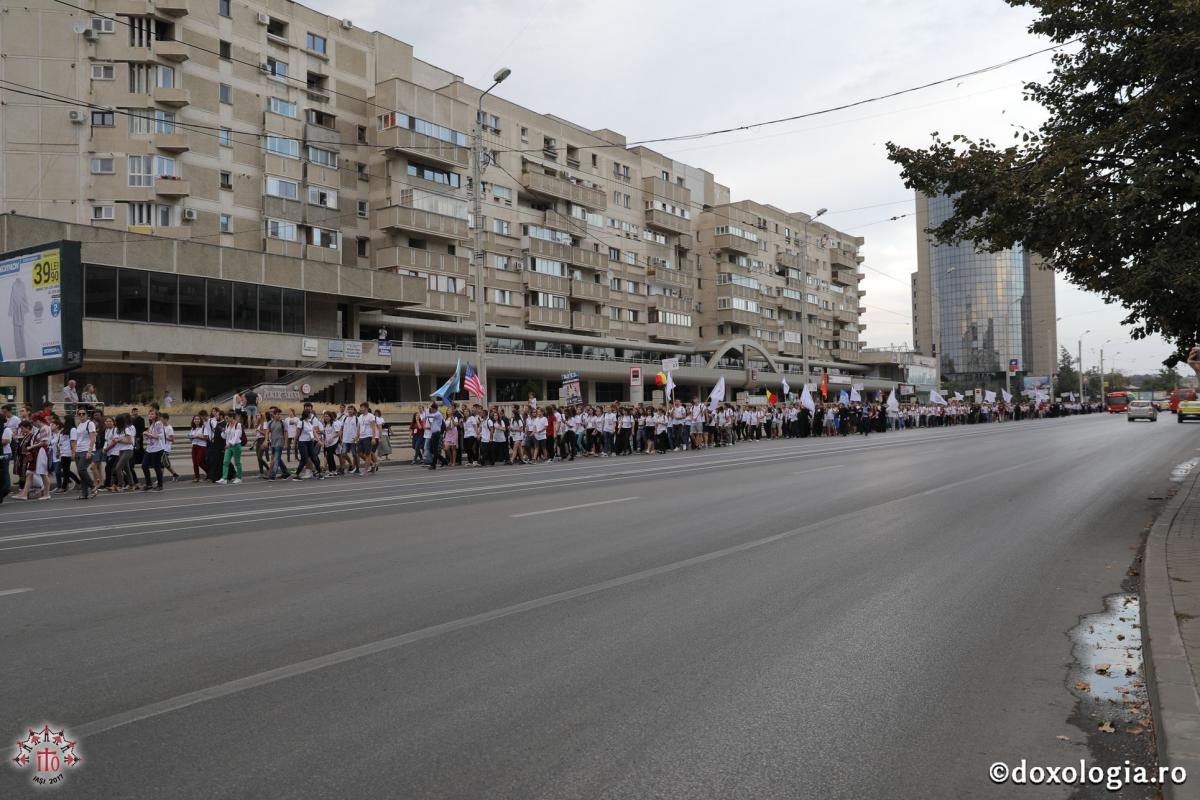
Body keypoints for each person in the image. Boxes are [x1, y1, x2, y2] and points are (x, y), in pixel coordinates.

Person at [141, 408, 167, 491]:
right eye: (149, 414)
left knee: (156, 467)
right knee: (144, 465)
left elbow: (158, 436)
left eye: (152, 414)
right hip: (150, 448)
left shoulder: (158, 423)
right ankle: (149, 484)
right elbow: (149, 436)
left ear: (156, 415)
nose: (150, 415)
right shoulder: (152, 424)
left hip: (157, 448)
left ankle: (160, 485)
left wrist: (148, 433)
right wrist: (145, 434)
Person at [74, 408, 97, 500]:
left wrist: (89, 451)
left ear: (87, 415)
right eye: (79, 414)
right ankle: (84, 494)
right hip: (79, 450)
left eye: (83, 413)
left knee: (81, 470)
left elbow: (93, 438)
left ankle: (93, 486)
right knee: (81, 473)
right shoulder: (79, 425)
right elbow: (78, 439)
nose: (81, 415)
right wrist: (75, 451)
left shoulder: (90, 423)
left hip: (86, 450)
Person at [216, 410, 244, 485]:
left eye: (227, 418)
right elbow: (225, 436)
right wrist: (223, 431)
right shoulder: (227, 425)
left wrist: (230, 443)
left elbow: (237, 436)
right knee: (225, 461)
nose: (226, 420)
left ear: (232, 417)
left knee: (237, 462)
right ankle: (224, 478)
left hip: (236, 446)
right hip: (228, 446)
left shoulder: (238, 424)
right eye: (226, 418)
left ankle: (239, 478)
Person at [188, 414, 207, 482]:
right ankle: (197, 477)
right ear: (193, 420)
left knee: (199, 462)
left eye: (198, 419)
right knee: (195, 462)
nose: (196, 420)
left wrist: (197, 437)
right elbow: (191, 438)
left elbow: (206, 437)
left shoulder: (203, 427)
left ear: (200, 420)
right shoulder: (193, 428)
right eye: (195, 419)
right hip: (194, 446)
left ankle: (209, 472)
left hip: (201, 446)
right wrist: (190, 437)